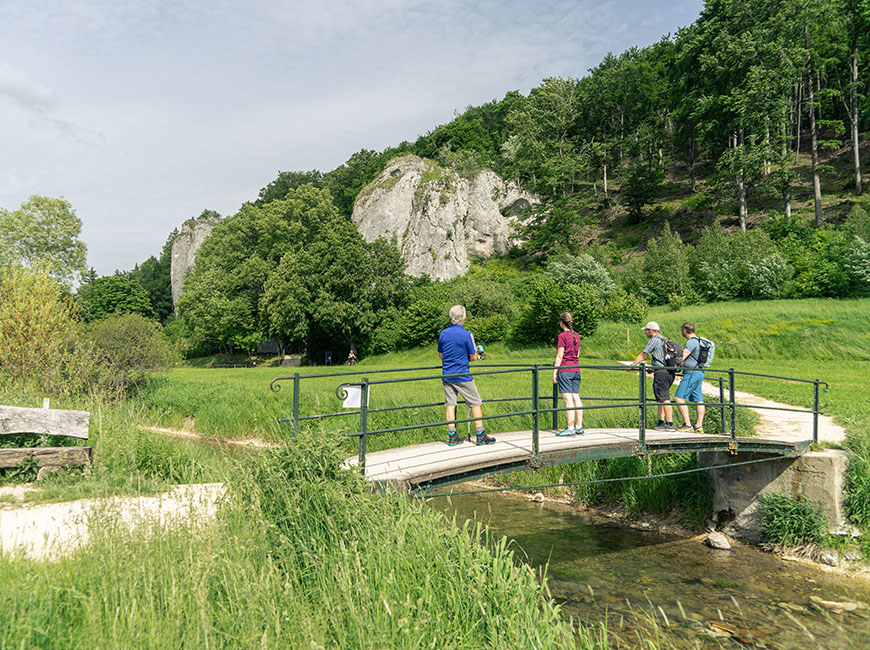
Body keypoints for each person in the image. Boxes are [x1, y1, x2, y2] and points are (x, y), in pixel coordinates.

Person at [437, 305, 495, 446]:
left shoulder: (443, 334)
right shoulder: (467, 334)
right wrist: (471, 357)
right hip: (463, 375)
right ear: (464, 318)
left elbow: (441, 355)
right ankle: (480, 435)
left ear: (450, 318)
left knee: (450, 404)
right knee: (475, 403)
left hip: (447, 375)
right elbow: (474, 357)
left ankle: (452, 435)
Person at [629, 321, 675, 431]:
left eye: (646, 330)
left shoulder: (654, 340)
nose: (645, 333)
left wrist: (632, 365)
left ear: (651, 330)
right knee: (660, 397)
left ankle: (669, 424)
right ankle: (661, 422)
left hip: (661, 373)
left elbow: (643, 354)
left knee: (664, 398)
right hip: (669, 372)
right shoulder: (664, 339)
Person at [552, 312, 584, 436]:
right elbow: (578, 353)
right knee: (576, 397)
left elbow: (560, 355)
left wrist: (554, 372)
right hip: (576, 368)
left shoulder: (562, 336)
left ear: (561, 323)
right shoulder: (576, 335)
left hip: (565, 370)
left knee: (567, 399)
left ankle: (570, 427)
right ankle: (579, 426)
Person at [674, 322, 706, 434]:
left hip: (691, 373)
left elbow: (683, 356)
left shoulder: (691, 342)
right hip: (698, 372)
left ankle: (687, 424)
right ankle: (698, 426)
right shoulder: (698, 340)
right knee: (698, 400)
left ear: (684, 330)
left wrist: (675, 363)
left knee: (678, 398)